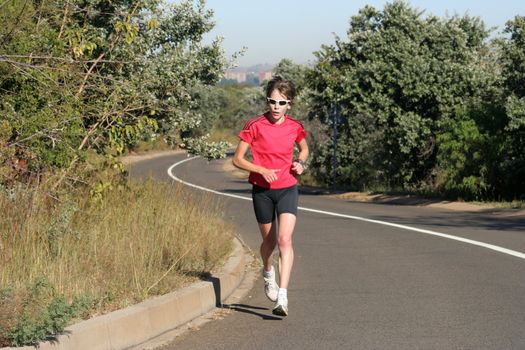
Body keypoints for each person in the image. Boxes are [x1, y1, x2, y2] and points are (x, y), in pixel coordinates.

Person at [232, 76, 309, 317]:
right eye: (272, 101)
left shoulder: (294, 126)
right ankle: (267, 272)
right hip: (262, 191)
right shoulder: (254, 125)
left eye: (281, 102)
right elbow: (237, 159)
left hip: (287, 188)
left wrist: (301, 163)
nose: (276, 107)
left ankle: (283, 297)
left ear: (290, 104)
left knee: (285, 240)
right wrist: (261, 169)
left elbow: (304, 148)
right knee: (270, 243)